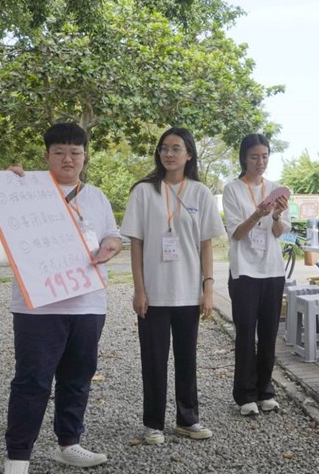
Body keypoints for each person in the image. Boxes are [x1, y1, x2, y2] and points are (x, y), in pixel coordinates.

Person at [4, 123, 123, 474]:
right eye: (59, 152)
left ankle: (69, 443)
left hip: (87, 303)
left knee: (78, 375)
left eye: (75, 152)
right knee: (32, 379)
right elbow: (6, 220)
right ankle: (17, 457)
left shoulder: (97, 196)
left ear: (85, 156)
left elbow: (112, 234)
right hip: (37, 306)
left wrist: (110, 247)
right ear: (47, 156)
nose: (68, 159)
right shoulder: (27, 190)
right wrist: (8, 186)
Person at [120, 127, 225, 445]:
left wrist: (208, 288)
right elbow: (135, 244)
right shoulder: (143, 191)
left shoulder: (200, 193)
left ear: (189, 154)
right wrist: (139, 289)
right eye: (164, 148)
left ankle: (187, 419)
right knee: (153, 359)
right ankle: (153, 423)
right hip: (153, 293)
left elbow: (206, 245)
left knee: (186, 358)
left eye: (176, 148)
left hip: (187, 292)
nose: (168, 153)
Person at [222, 134, 290, 416]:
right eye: (254, 156)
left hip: (272, 270)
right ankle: (245, 395)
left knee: (269, 333)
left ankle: (266, 390)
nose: (260, 162)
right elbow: (236, 234)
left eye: (264, 156)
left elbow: (279, 232)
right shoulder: (232, 190)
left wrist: (275, 216)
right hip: (245, 271)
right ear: (243, 158)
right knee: (246, 333)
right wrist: (257, 214)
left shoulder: (276, 189)